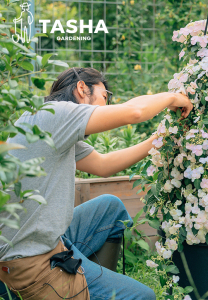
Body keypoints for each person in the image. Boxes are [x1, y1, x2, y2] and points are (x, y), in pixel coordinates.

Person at [0, 67, 193, 300]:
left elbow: (104, 165)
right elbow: (134, 112)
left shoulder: (49, 122)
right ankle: (83, 286)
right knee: (143, 296)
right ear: (82, 88)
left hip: (47, 239)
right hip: (29, 260)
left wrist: (161, 138)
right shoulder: (55, 114)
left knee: (110, 207)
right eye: (104, 97)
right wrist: (173, 97)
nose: (106, 106)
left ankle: (90, 282)